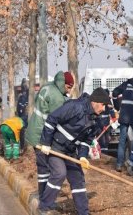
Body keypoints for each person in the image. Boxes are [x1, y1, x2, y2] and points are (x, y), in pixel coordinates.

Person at [38, 87, 111, 215]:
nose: (104, 109)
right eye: (103, 105)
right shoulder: (75, 107)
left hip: (70, 152)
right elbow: (52, 119)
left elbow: (86, 142)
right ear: (95, 102)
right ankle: (44, 206)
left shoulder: (94, 119)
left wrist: (82, 156)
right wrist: (45, 143)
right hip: (55, 147)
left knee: (78, 178)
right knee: (60, 173)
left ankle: (83, 212)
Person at [25, 71, 74, 201]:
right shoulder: (57, 97)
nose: (68, 91)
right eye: (68, 87)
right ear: (63, 83)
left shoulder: (48, 86)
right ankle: (44, 197)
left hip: (35, 130)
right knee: (45, 168)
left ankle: (44, 194)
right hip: (41, 135)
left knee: (43, 167)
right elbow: (59, 118)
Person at [112, 70, 133, 172]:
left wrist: (117, 106)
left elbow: (114, 93)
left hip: (124, 116)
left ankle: (119, 164)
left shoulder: (127, 83)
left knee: (122, 141)